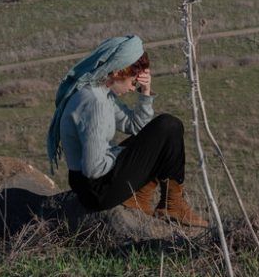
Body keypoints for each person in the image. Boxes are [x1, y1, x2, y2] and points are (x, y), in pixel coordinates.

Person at [47, 35, 208, 227]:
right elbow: (93, 168)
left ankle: (150, 199)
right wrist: (127, 154)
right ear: (116, 72)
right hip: (97, 190)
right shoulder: (94, 103)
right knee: (168, 125)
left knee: (166, 130)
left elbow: (136, 126)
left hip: (94, 181)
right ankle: (172, 204)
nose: (133, 88)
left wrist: (145, 91)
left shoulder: (100, 93)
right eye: (133, 81)